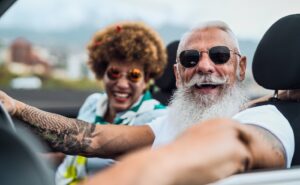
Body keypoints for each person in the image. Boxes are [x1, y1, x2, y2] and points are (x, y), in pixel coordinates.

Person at [0, 21, 294, 184]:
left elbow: (237, 143)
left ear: (241, 68)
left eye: (218, 56)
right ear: (178, 75)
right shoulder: (169, 121)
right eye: (191, 59)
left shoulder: (267, 119)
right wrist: (15, 107)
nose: (204, 67)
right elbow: (96, 139)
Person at [54, 21, 168, 185]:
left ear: (147, 79)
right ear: (102, 72)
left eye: (134, 75)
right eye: (114, 73)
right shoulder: (93, 103)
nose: (122, 84)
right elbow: (69, 156)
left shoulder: (158, 119)